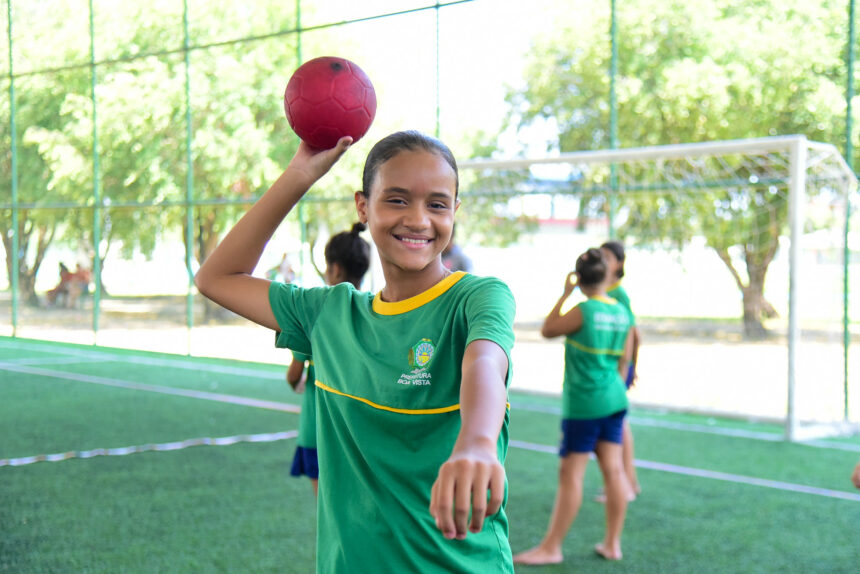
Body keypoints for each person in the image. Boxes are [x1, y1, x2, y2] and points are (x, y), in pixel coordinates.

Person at [195, 130, 516, 573]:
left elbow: (485, 362)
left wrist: (478, 444)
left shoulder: (479, 297)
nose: (419, 219)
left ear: (455, 212)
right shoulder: (328, 314)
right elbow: (217, 277)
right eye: (398, 200)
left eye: (437, 204)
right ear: (363, 207)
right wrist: (299, 174)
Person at [513, 248, 633, 565]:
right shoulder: (622, 312)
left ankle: (551, 547)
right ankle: (612, 544)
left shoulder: (585, 309)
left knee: (571, 474)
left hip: (585, 404)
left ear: (579, 278)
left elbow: (548, 329)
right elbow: (625, 360)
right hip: (615, 399)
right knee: (614, 470)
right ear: (607, 275)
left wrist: (565, 294)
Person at [286, 223, 371, 496]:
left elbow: (293, 376)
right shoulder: (374, 310)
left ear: (334, 269)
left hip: (318, 429)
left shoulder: (316, 312)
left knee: (329, 507)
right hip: (360, 431)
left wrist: (298, 379)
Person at [599, 240, 642, 501]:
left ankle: (624, 483)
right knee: (617, 424)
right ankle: (624, 482)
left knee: (618, 425)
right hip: (607, 368)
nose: (603, 261)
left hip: (617, 368)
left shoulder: (618, 294)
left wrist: (629, 368)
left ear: (619, 264)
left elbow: (633, 333)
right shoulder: (603, 291)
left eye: (608, 257)